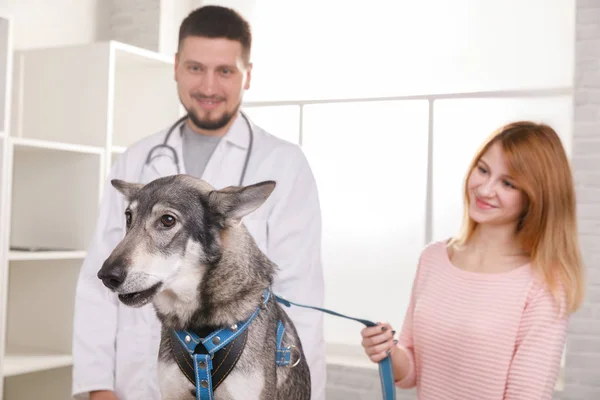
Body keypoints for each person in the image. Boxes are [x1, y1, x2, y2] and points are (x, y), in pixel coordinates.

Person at [71, 5, 326, 400]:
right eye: (195, 68)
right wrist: (97, 385)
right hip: (140, 376)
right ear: (175, 66)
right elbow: (99, 280)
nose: (208, 86)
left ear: (248, 75)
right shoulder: (137, 157)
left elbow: (302, 294)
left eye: (225, 71)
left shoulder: (284, 163)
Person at [360, 121, 585, 399]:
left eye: (508, 183)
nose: (485, 189)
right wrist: (387, 351)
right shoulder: (433, 258)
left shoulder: (543, 284)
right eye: (483, 170)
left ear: (534, 198)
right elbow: (412, 372)